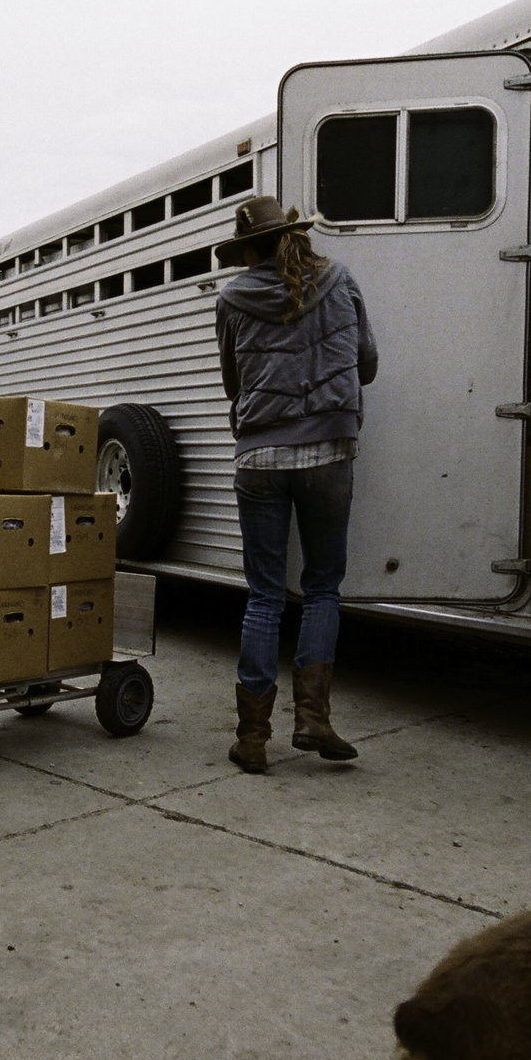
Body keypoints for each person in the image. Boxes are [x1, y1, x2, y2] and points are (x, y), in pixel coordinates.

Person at [213, 195, 377, 774]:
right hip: (330, 450)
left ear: (249, 248)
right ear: (297, 236)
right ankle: (313, 717)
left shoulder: (232, 298)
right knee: (323, 586)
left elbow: (234, 382)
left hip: (260, 458)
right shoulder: (340, 281)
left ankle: (253, 737)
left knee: (263, 594)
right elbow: (368, 362)